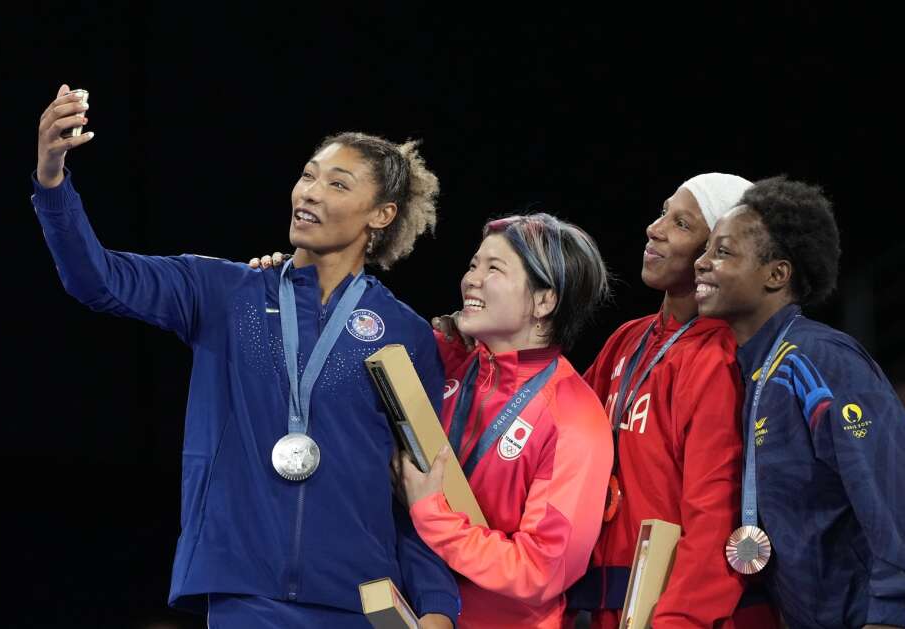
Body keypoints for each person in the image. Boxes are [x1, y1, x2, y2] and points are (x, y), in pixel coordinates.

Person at [33, 84, 458, 628]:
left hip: (365, 601)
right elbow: (97, 279)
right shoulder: (226, 293)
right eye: (307, 175)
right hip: (244, 590)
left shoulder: (403, 334)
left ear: (381, 215)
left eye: (337, 183)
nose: (309, 192)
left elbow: (418, 484)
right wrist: (52, 178)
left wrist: (439, 606)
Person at [694, 176, 905, 628]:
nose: (701, 264)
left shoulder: (819, 361)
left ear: (776, 274)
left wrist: (888, 615)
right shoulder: (752, 372)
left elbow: (897, 491)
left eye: (722, 252)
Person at [566, 173, 780, 628]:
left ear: (715, 253)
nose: (655, 228)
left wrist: (678, 621)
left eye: (681, 223)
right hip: (606, 605)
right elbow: (549, 422)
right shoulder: (627, 340)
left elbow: (714, 519)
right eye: (663, 213)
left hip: (678, 613)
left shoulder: (720, 360)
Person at [393, 213, 614, 628]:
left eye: (494, 268)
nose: (471, 280)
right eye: (474, 265)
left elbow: (541, 571)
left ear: (544, 300)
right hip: (408, 608)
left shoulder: (574, 419)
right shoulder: (446, 360)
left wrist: (431, 513)